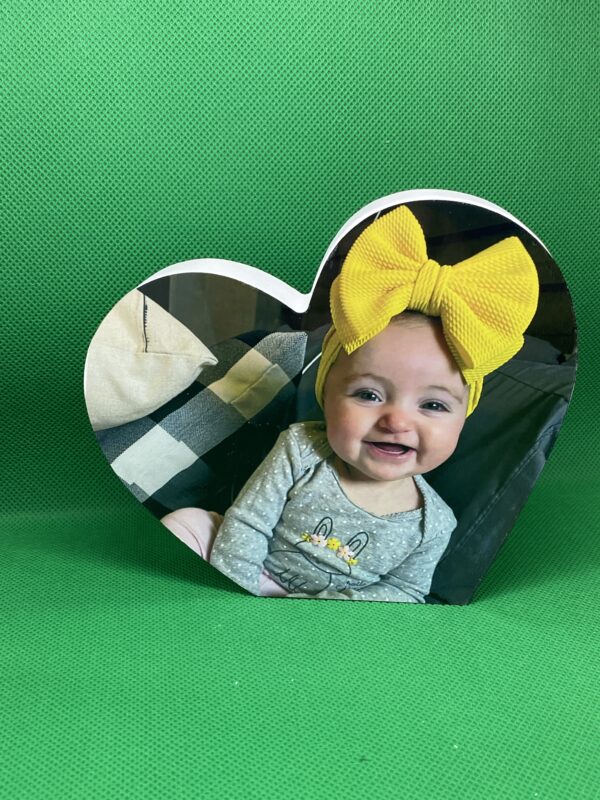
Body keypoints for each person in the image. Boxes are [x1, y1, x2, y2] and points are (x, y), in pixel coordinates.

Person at [162, 204, 539, 602]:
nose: (396, 420)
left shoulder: (433, 523)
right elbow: (248, 524)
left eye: (432, 405)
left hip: (331, 615)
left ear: (464, 419)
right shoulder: (300, 448)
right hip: (247, 570)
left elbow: (404, 591)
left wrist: (327, 617)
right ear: (327, 396)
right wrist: (236, 599)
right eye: (368, 395)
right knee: (187, 525)